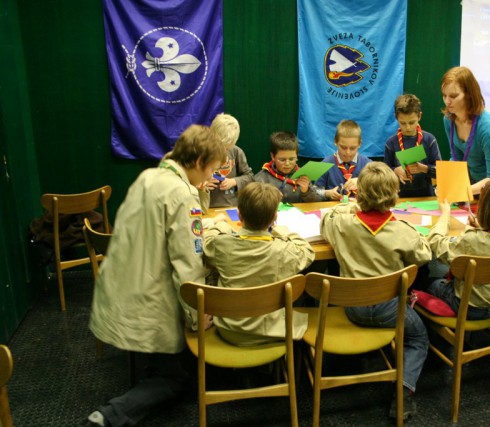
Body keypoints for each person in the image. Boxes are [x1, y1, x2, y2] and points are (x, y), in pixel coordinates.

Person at [87, 125, 227, 427]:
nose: (208, 180)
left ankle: (154, 368)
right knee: (177, 380)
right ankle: (109, 416)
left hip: (119, 289)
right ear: (200, 161)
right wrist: (197, 315)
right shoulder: (181, 193)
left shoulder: (148, 176)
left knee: (171, 366)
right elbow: (188, 263)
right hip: (146, 301)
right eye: (210, 171)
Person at [320, 161, 432, 420]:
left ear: (359, 195)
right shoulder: (402, 231)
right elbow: (425, 254)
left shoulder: (343, 226)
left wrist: (346, 206)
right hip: (391, 309)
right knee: (418, 338)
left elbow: (327, 220)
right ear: (395, 196)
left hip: (352, 309)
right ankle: (404, 392)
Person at [202, 182, 315, 345]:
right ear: (274, 218)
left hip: (229, 330)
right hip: (273, 331)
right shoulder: (283, 250)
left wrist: (222, 225)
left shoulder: (222, 246)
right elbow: (307, 251)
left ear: (239, 215)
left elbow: (210, 239)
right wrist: (281, 230)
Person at [425, 179, 490, 319]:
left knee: (429, 280)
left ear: (485, 209)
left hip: (467, 306)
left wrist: (445, 214)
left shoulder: (472, 240)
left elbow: (435, 243)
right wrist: (481, 227)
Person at [441, 66, 490, 195]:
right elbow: (457, 159)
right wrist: (446, 185)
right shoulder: (448, 120)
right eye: (444, 95)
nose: (447, 101)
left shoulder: (488, 127)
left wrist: (461, 191)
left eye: (453, 96)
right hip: (474, 188)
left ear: (469, 95)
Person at [384, 94, 442, 197]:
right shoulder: (391, 143)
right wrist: (395, 170)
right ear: (396, 117)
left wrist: (424, 168)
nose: (408, 127)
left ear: (419, 116)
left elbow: (440, 172)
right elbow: (384, 173)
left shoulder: (429, 140)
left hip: (425, 198)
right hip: (399, 198)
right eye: (403, 123)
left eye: (412, 122)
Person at [254, 131, 321, 203]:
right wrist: (269, 199)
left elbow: (316, 203)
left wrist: (306, 192)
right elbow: (254, 204)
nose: (287, 164)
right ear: (273, 156)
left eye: (292, 159)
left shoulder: (303, 175)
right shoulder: (261, 179)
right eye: (282, 160)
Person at [205, 113, 254, 207]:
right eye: (220, 145)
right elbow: (187, 181)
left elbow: (249, 177)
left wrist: (234, 181)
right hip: (205, 205)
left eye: (227, 147)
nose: (223, 150)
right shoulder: (201, 151)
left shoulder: (236, 152)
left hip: (230, 206)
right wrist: (203, 184)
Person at [315, 119, 372, 201]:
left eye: (352, 148)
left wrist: (362, 181)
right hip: (334, 210)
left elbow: (384, 182)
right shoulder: (325, 164)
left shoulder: (367, 164)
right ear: (335, 142)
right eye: (343, 147)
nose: (348, 152)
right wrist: (327, 193)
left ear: (360, 144)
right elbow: (314, 191)